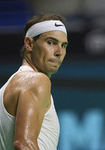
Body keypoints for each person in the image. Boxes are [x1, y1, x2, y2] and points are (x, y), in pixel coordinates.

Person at [0, 13, 68, 150]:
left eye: (64, 45)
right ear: (29, 44)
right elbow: (23, 144)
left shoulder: (8, 87)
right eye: (51, 42)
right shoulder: (37, 80)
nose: (59, 52)